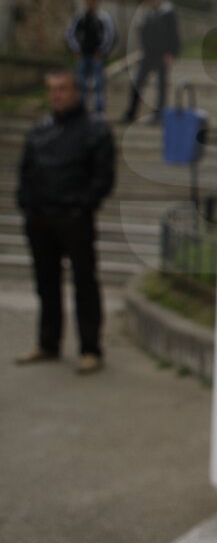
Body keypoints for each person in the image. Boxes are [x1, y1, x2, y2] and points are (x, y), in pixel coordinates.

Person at [15, 69, 116, 374]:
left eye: (62, 88)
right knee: (46, 283)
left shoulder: (94, 130)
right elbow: (26, 170)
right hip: (40, 217)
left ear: (76, 91)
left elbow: (103, 176)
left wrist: (83, 205)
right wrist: (27, 204)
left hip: (74, 218)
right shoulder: (39, 130)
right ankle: (48, 343)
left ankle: (90, 348)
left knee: (84, 282)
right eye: (52, 89)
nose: (57, 94)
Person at [123, 0, 180, 124]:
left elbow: (173, 34)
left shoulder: (167, 12)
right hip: (148, 54)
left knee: (161, 85)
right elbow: (145, 34)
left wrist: (171, 53)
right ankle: (131, 112)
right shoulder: (148, 14)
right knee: (138, 82)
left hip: (162, 54)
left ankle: (159, 114)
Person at [65, 0, 118, 114]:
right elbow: (70, 33)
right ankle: (81, 108)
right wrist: (76, 48)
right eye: (88, 1)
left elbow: (110, 35)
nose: (90, 4)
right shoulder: (80, 17)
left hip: (96, 55)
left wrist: (102, 50)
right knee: (81, 83)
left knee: (98, 83)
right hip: (83, 54)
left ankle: (99, 110)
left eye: (93, 1)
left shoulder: (103, 18)